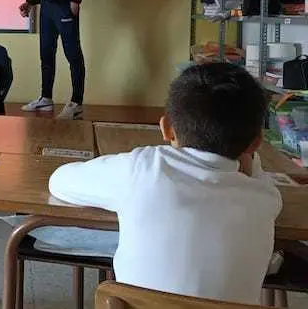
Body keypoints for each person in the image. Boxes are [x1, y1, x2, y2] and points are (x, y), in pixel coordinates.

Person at [48, 63, 281, 305]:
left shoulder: (144, 168)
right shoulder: (266, 197)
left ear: (167, 127)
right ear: (255, 144)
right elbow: (258, 175)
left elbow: (59, 181)